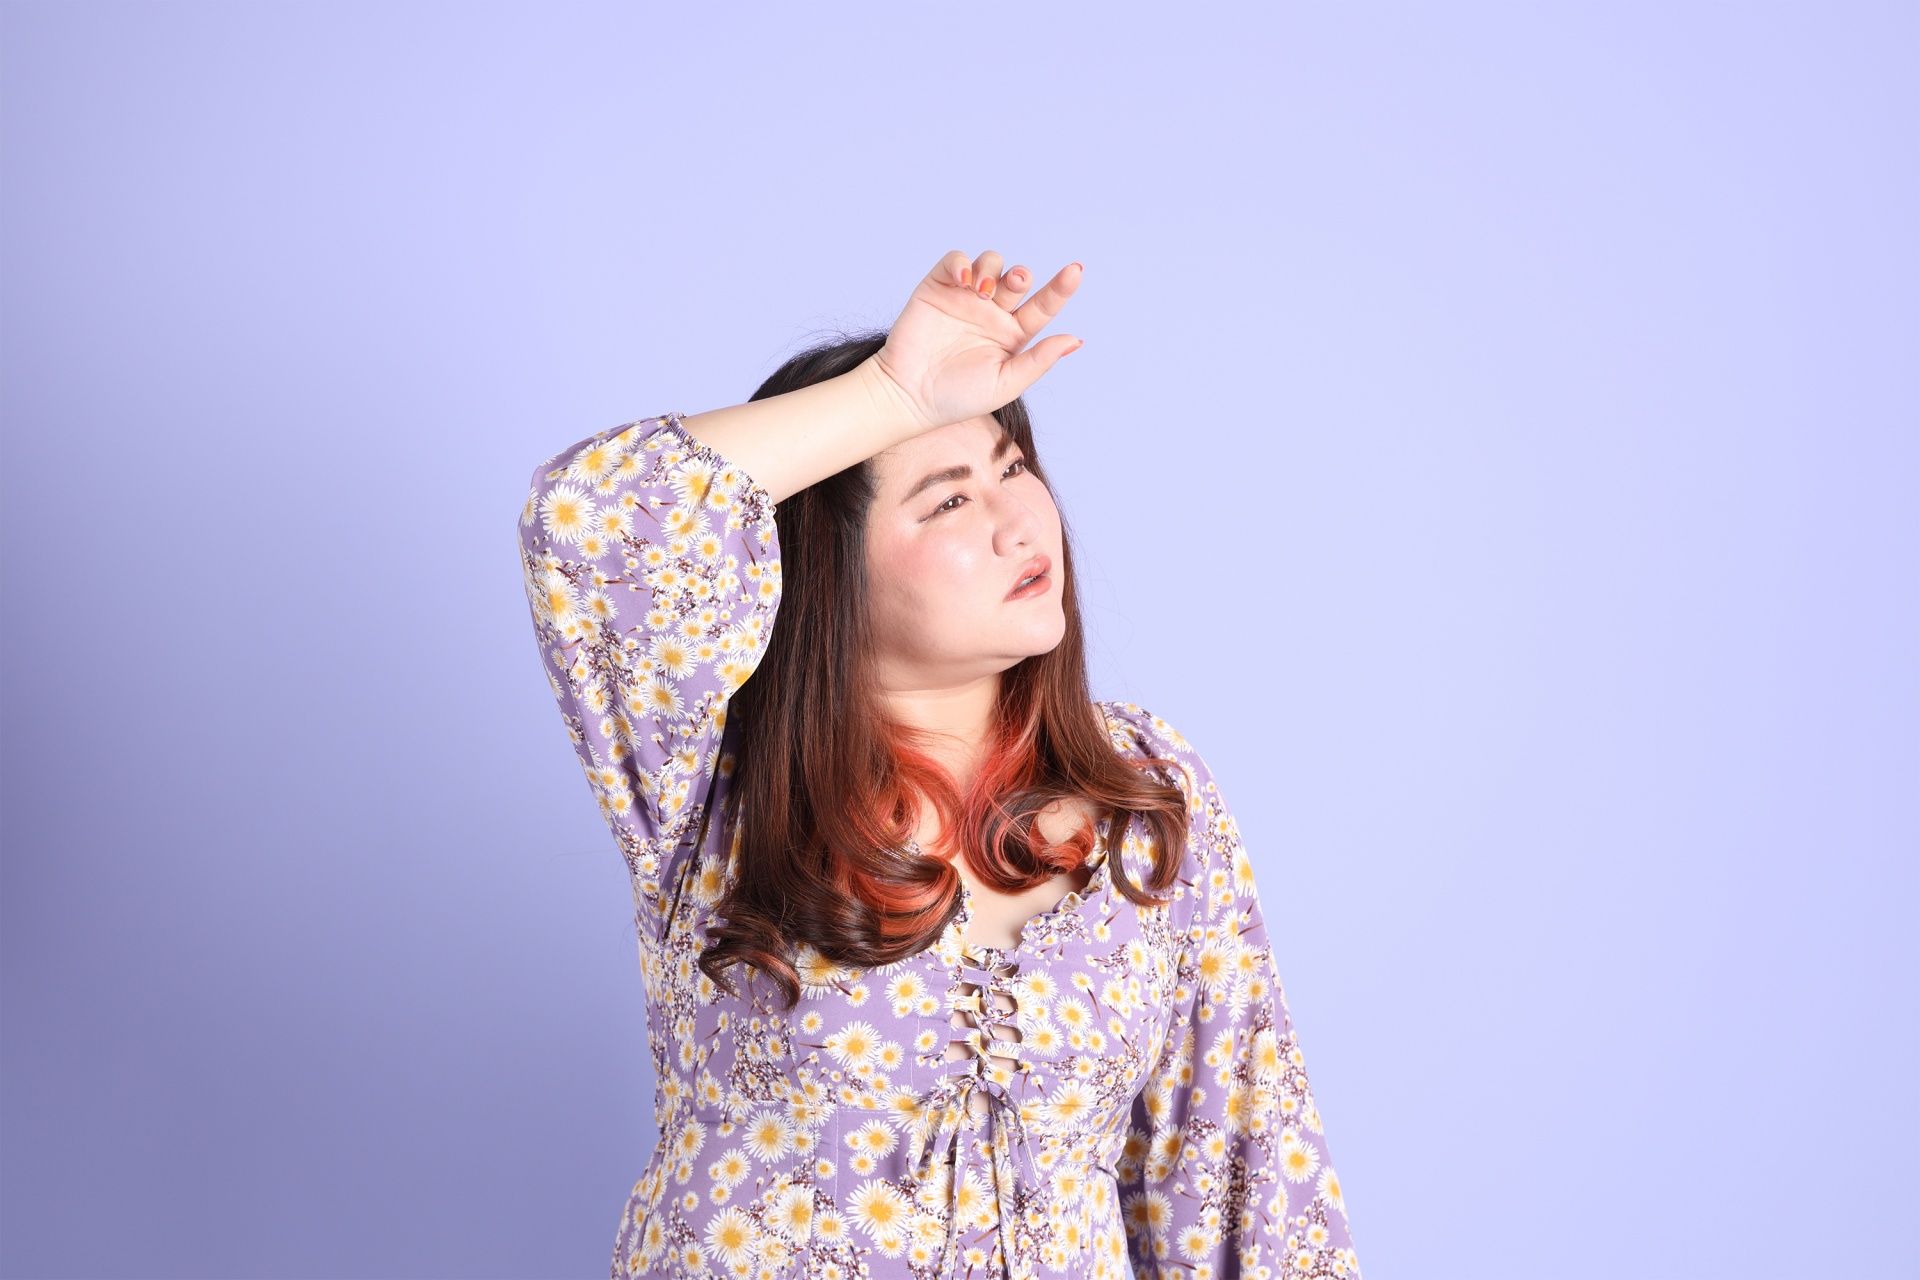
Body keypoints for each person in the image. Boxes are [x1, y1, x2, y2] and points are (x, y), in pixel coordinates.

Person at [516, 249, 1364, 1280]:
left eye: (1014, 470)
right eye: (949, 499)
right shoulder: (710, 786)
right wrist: (890, 394)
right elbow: (588, 521)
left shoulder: (1145, 788)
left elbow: (1244, 1184)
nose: (1020, 519)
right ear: (826, 571)